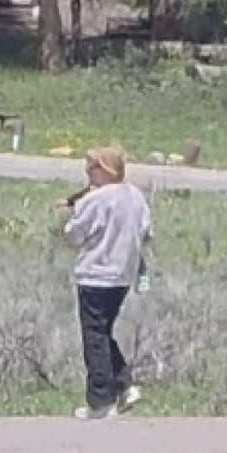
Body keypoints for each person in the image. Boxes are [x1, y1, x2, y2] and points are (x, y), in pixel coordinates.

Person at [56, 146, 152, 421]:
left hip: (95, 275)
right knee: (103, 332)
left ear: (107, 169)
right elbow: (146, 230)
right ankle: (123, 384)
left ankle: (101, 401)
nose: (88, 172)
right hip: (122, 276)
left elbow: (74, 235)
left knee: (94, 338)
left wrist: (67, 217)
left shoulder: (94, 200)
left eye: (93, 167)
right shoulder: (136, 197)